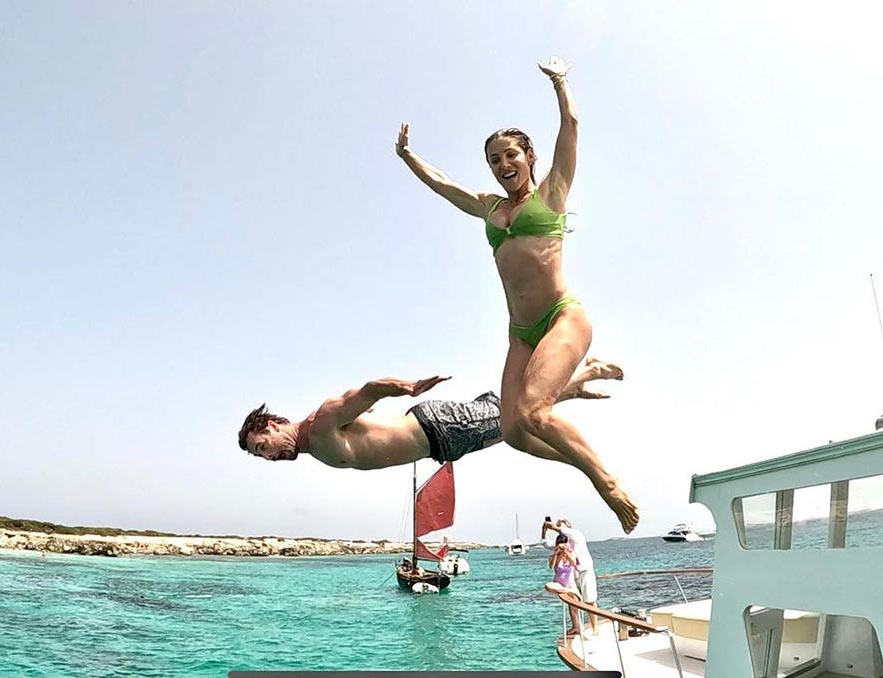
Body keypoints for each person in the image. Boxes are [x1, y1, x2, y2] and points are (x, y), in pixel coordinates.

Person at [395, 56, 639, 533]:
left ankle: (606, 482)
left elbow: (570, 126)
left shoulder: (551, 194)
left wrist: (560, 82)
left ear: (529, 157)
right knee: (513, 432)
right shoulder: (490, 209)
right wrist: (409, 157)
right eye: (494, 160)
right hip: (521, 333)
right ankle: (583, 425)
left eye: (511, 154)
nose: (503, 164)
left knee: (533, 412)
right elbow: (445, 187)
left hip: (561, 317)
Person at [237, 358, 622, 470]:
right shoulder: (316, 445)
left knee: (521, 422)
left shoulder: (320, 424)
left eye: (262, 446)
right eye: (261, 455)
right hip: (439, 442)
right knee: (517, 423)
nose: (267, 456)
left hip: (437, 427)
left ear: (273, 425)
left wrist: (406, 386)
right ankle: (572, 389)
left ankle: (585, 371)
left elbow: (368, 390)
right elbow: (367, 410)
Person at [542, 517, 599, 635]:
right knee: (572, 604)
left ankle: (595, 628)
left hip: (584, 571)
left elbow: (573, 560)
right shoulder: (563, 544)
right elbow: (546, 543)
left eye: (562, 527)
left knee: (589, 601)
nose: (560, 530)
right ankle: (576, 627)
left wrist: (553, 526)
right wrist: (544, 529)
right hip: (574, 575)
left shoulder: (577, 536)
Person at [545, 534, 583, 636]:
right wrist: (558, 553)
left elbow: (573, 562)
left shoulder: (572, 553)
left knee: (573, 606)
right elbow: (552, 566)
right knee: (547, 586)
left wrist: (566, 551)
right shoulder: (554, 556)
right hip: (559, 584)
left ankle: (576, 627)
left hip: (570, 583)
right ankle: (576, 626)